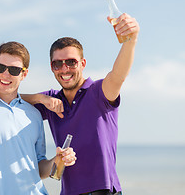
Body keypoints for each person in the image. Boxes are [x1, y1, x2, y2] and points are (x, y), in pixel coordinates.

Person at [21, 13, 140, 195]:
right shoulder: (52, 100)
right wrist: (40, 98)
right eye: (57, 64)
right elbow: (11, 99)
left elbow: (118, 75)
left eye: (71, 62)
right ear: (51, 67)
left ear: (82, 63)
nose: (64, 69)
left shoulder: (99, 92)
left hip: (104, 191)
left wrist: (130, 40)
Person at [0, 41, 77, 195]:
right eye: (0, 67)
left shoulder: (34, 115)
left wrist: (57, 161)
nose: (5, 74)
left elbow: (39, 168)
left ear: (24, 74)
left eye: (14, 70)